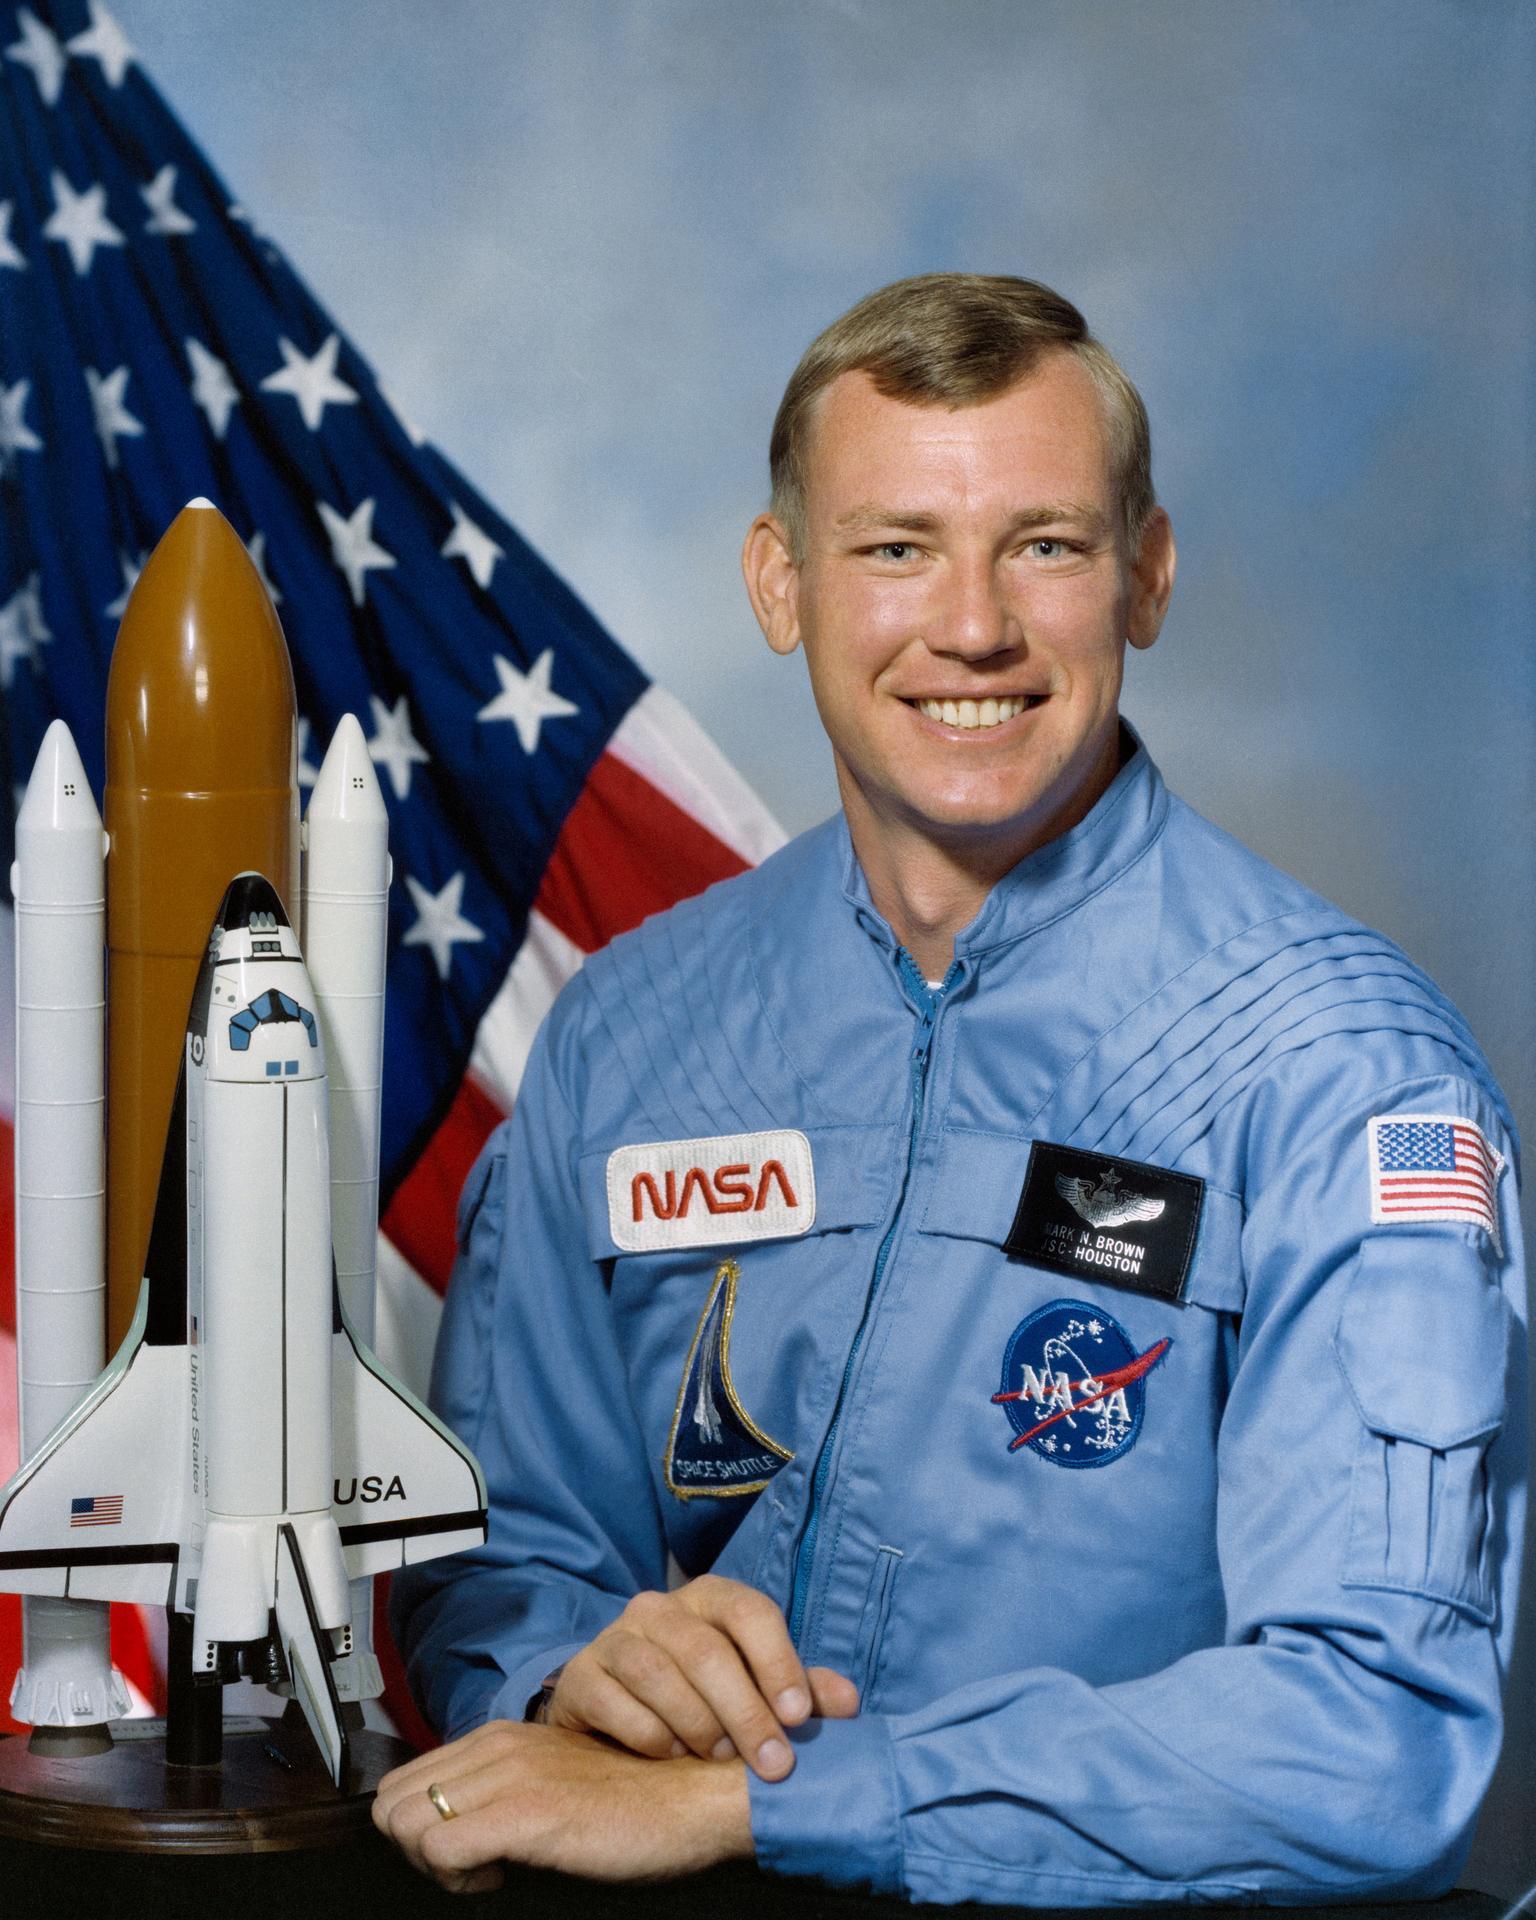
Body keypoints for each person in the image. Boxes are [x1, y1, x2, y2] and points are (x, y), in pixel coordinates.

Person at [374, 274, 1527, 1902]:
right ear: (782, 584)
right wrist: (569, 1678)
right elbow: (504, 1559)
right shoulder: (633, 1036)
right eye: (896, 548)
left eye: (1044, 545)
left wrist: (779, 1801)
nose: (972, 626)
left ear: (1148, 574)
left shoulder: (1337, 1070)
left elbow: (1372, 1733)